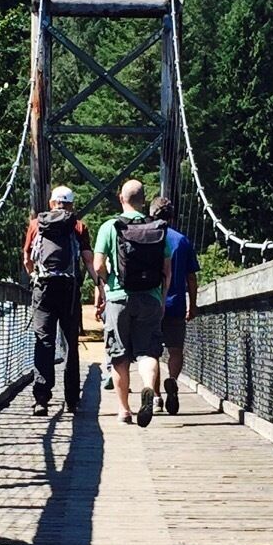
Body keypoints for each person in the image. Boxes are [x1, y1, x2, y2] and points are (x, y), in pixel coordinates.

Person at [91, 177, 168, 424]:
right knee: (148, 353)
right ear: (144, 201)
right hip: (150, 297)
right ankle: (148, 387)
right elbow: (167, 270)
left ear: (121, 198)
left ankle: (124, 410)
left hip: (118, 297)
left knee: (120, 355)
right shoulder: (158, 228)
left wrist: (105, 283)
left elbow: (98, 264)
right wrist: (162, 298)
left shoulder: (109, 226)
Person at [22, 185, 90, 413]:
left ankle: (41, 398)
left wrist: (34, 276)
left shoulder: (36, 224)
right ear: (71, 205)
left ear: (52, 203)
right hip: (69, 290)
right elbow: (89, 260)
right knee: (70, 343)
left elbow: (26, 259)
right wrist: (101, 286)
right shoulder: (79, 226)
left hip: (43, 288)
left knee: (44, 341)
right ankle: (72, 400)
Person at [151, 196, 198, 415]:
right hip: (177, 302)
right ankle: (172, 380)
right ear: (172, 216)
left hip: (151, 304)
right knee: (175, 350)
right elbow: (191, 278)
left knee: (152, 353)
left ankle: (157, 397)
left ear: (151, 214)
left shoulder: (148, 237)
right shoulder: (182, 240)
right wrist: (193, 304)